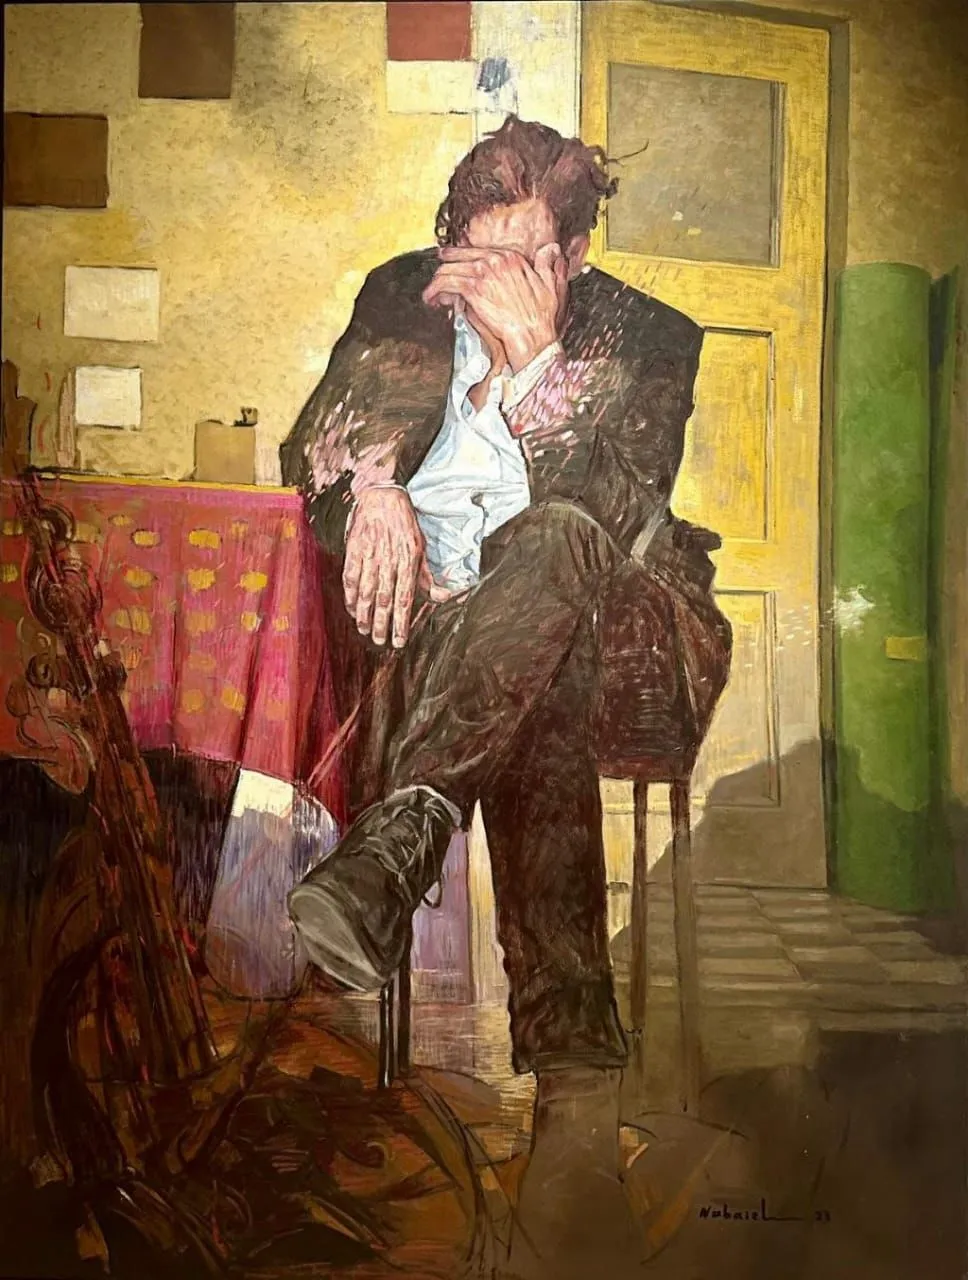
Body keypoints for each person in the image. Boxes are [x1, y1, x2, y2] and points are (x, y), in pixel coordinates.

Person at [280, 116, 731, 1277]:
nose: (486, 286)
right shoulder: (402, 293)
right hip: (414, 639)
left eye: (522, 261)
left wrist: (536, 369)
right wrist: (370, 487)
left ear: (571, 255)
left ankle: (401, 837)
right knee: (531, 687)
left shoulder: (643, 334)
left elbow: (625, 514)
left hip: (586, 627)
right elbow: (309, 451)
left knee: (555, 553)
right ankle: (576, 1107)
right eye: (470, 256)